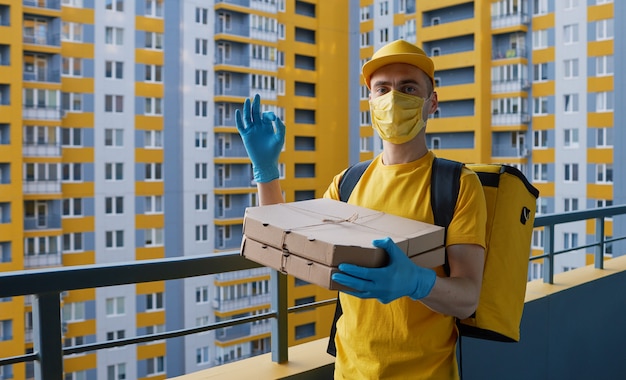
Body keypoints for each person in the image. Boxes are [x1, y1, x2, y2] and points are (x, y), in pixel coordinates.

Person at [236, 39, 487, 380]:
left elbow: (467, 298)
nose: (393, 98)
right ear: (370, 102)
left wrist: (417, 283)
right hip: (349, 370)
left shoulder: (457, 184)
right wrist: (266, 173)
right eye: (381, 89)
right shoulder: (347, 183)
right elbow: (289, 245)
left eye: (408, 88)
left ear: (432, 104)